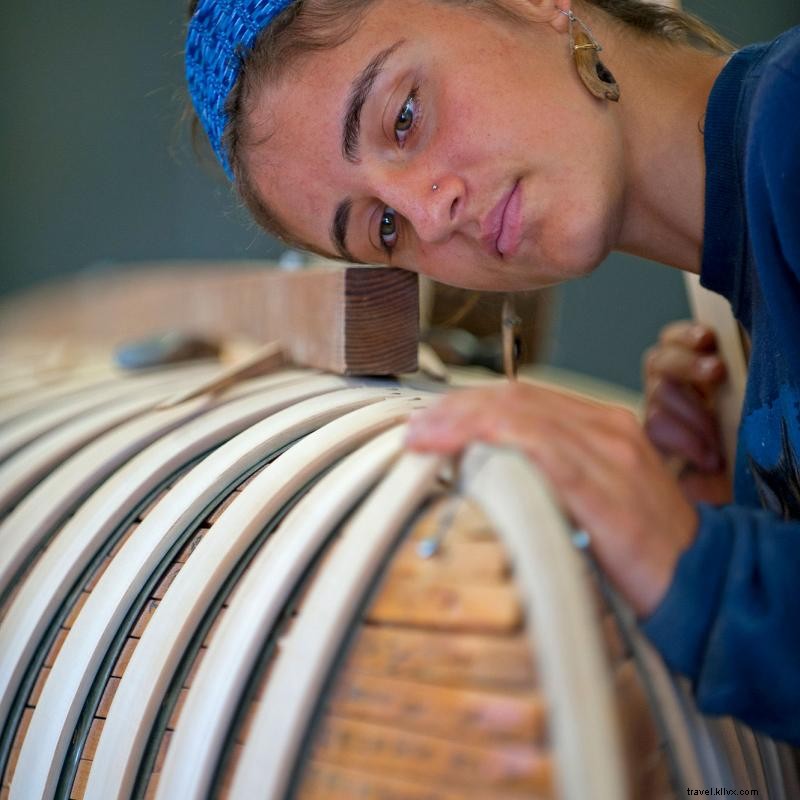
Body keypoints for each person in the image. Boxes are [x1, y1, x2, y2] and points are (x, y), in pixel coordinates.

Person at [185, 0, 800, 744]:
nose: (427, 213)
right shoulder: (743, 299)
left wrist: (699, 569)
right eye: (384, 229)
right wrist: (737, 507)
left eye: (404, 114)